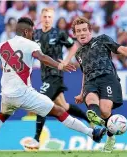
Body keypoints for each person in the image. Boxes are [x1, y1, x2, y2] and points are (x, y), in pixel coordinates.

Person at [0, 17, 106, 153]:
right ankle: (92, 134)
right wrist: (59, 65)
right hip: (23, 93)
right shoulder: (29, 44)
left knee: (2, 115)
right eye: (32, 32)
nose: (33, 35)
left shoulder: (2, 45)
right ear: (26, 31)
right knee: (59, 111)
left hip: (7, 95)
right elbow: (42, 57)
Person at [65, 17, 127, 152]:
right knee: (90, 99)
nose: (82, 33)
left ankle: (109, 134)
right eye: (78, 31)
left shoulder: (102, 39)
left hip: (107, 78)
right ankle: (96, 122)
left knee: (105, 110)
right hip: (90, 82)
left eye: (84, 29)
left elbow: (119, 48)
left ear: (90, 31)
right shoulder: (78, 53)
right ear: (75, 34)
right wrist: (81, 92)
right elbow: (84, 72)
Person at [26, 8, 91, 149]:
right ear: (40, 17)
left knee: (41, 102)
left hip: (55, 75)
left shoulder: (59, 33)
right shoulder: (35, 35)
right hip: (45, 75)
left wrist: (66, 61)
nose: (47, 19)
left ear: (53, 18)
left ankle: (36, 139)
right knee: (64, 106)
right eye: (45, 16)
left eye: (50, 16)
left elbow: (74, 45)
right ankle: (89, 120)